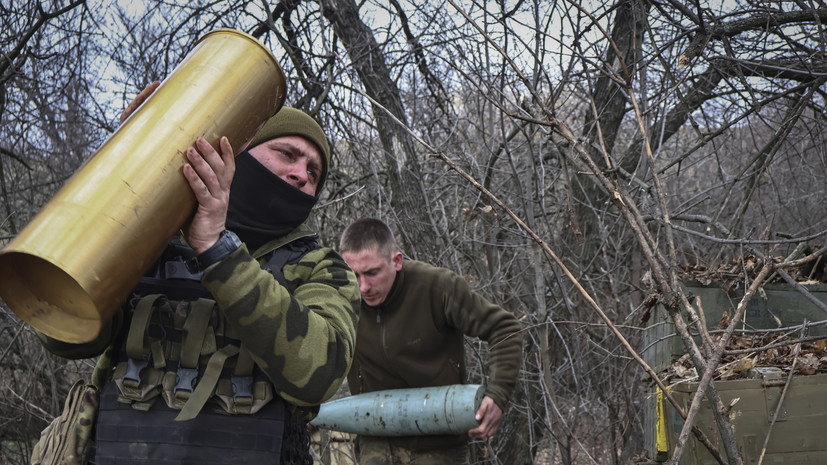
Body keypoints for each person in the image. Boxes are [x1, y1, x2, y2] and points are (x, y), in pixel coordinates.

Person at [33, 82, 361, 464]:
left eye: (314, 171)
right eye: (286, 153)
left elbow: (317, 375)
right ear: (233, 153)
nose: (301, 173)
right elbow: (62, 336)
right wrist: (121, 185)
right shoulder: (148, 238)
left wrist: (218, 249)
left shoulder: (323, 268)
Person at [338, 218, 523, 464]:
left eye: (372, 273)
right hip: (376, 436)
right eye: (354, 275)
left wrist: (497, 395)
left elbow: (504, 328)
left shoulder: (436, 286)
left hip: (440, 440)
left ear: (397, 261)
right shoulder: (340, 297)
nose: (363, 287)